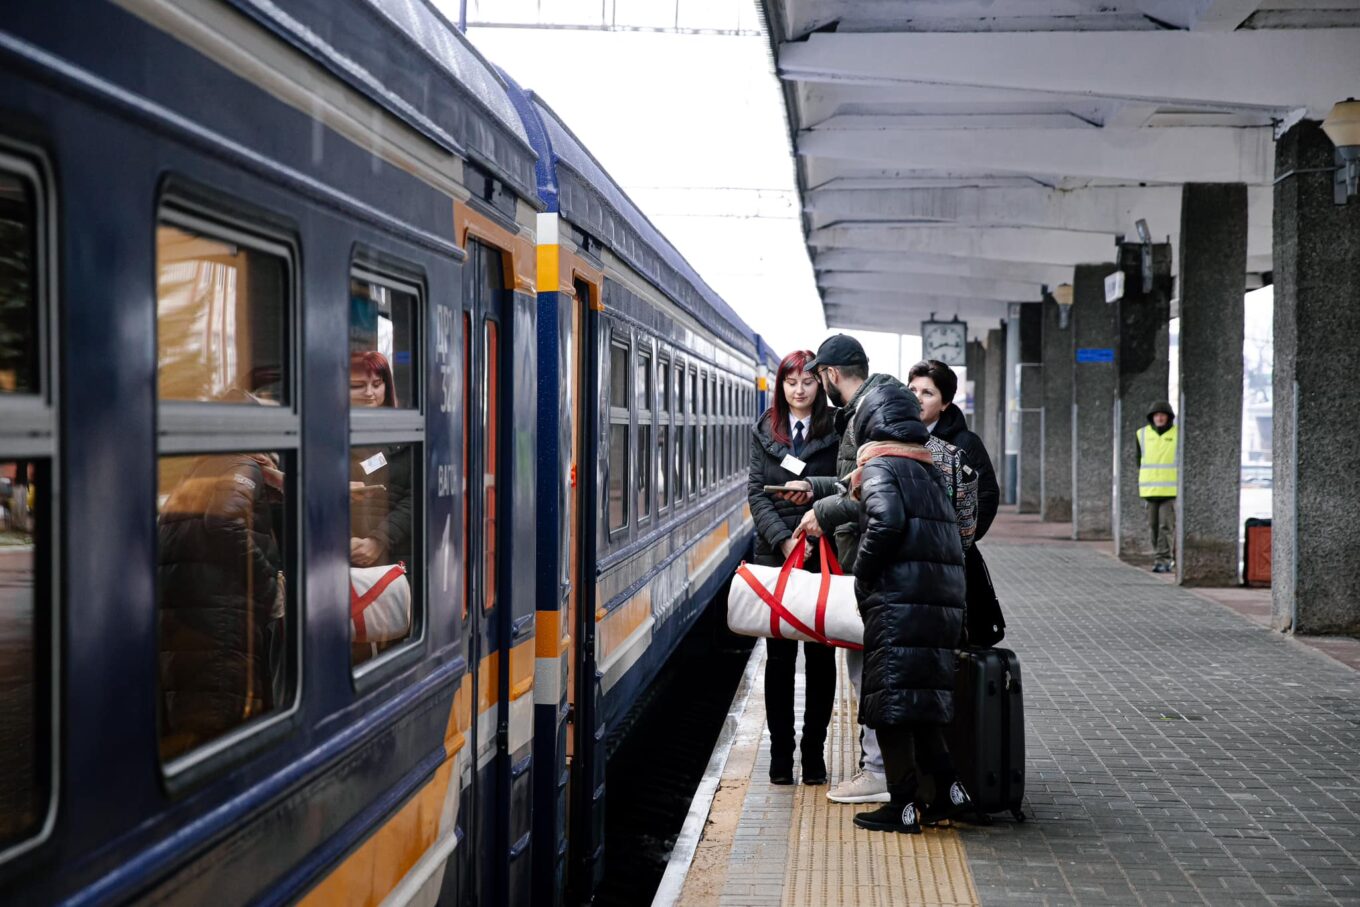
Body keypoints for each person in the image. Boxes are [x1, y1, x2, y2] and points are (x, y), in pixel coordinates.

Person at [780, 334, 907, 805]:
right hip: (868, 561)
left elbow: (879, 493)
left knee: (870, 675)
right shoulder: (871, 410)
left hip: (872, 565)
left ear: (830, 375)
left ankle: (880, 771)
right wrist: (816, 489)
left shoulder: (869, 415)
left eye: (818, 377)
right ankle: (883, 768)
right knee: (869, 671)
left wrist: (825, 514)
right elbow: (857, 480)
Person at [844, 383, 972, 833]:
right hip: (937, 600)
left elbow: (886, 521)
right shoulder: (924, 466)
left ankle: (901, 806)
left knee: (891, 708)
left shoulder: (881, 465)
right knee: (919, 706)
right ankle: (951, 791)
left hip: (898, 602)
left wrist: (862, 574)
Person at [746, 350, 840, 785]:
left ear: (820, 384)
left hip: (824, 552)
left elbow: (846, 485)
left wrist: (814, 523)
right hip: (775, 556)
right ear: (780, 385)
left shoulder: (837, 428)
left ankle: (814, 753)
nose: (799, 390)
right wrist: (783, 541)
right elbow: (756, 493)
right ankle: (780, 755)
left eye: (807, 381)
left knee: (821, 656)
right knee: (779, 660)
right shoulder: (765, 429)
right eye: (791, 382)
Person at [158, 451, 287, 760]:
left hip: (193, 622)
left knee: (196, 731)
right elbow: (223, 520)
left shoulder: (201, 467)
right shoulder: (242, 466)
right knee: (223, 733)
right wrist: (268, 586)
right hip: (225, 622)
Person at [907, 360, 999, 541]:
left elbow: (987, 496)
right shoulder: (894, 437)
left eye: (927, 393)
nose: (917, 398)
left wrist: (959, 540)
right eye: (912, 390)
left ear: (945, 403)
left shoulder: (965, 443)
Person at [349, 351, 413, 569]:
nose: (369, 393)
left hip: (395, 557)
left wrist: (379, 540)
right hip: (338, 555)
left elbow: (415, 499)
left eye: (377, 384)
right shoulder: (325, 436)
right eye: (358, 385)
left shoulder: (405, 434)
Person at [1137, 401, 1178, 572]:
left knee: (1165, 526)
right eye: (1156, 415)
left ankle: (1164, 560)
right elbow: (1138, 460)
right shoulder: (1142, 434)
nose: (1159, 418)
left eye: (1162, 415)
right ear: (1152, 418)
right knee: (1153, 526)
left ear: (1168, 417)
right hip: (1150, 490)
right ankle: (1159, 557)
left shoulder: (1177, 434)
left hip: (1170, 491)